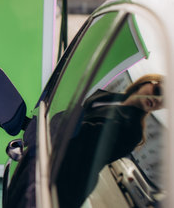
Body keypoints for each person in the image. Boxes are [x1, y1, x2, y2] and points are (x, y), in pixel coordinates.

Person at [56, 74, 164, 208]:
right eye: (158, 91)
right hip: (54, 160)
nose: (158, 100)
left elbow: (85, 140)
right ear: (146, 82)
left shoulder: (132, 131)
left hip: (67, 183)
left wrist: (61, 121)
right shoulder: (109, 97)